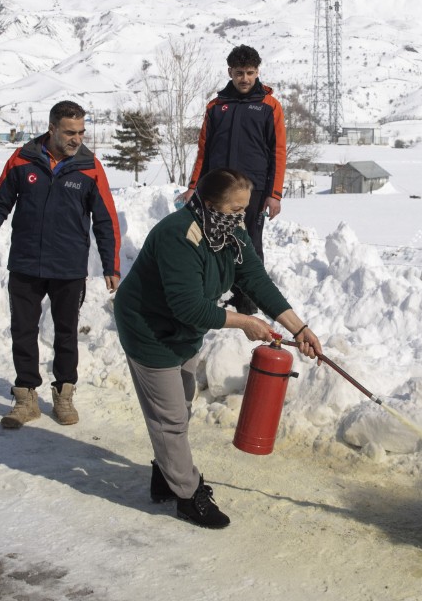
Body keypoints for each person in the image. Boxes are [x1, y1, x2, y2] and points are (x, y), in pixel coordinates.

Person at [114, 168, 321, 529]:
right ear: (209, 204)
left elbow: (256, 280)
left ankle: (166, 474)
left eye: (244, 210)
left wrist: (299, 327)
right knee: (170, 417)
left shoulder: (228, 231)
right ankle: (188, 495)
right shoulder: (179, 235)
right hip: (148, 329)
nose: (241, 218)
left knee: (182, 403)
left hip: (184, 332)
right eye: (234, 210)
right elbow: (188, 306)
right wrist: (246, 323)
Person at [0, 100, 121, 428]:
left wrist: (111, 265)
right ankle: (25, 397)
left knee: (66, 332)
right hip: (25, 263)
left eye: (81, 132)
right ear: (51, 129)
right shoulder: (22, 160)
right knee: (23, 330)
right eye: (69, 132)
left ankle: (64, 394)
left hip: (68, 267)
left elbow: (105, 219)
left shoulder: (89, 167)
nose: (77, 139)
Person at [180, 45, 286, 316]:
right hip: (217, 189)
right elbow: (204, 150)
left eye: (250, 73)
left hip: (253, 191)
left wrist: (274, 194)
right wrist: (194, 186)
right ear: (230, 72)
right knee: (212, 241)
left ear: (257, 72)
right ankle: (214, 294)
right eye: (239, 73)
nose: (245, 79)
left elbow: (279, 152)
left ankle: (247, 302)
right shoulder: (216, 107)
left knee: (249, 243)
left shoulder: (269, 106)